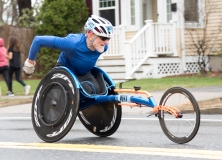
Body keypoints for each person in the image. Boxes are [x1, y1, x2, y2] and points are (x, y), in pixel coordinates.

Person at [22, 15, 113, 94]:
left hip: (84, 74)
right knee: (86, 90)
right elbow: (38, 40)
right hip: (65, 72)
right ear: (90, 34)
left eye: (108, 38)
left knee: (98, 90)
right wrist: (30, 63)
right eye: (103, 38)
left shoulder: (103, 47)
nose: (106, 42)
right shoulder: (72, 43)